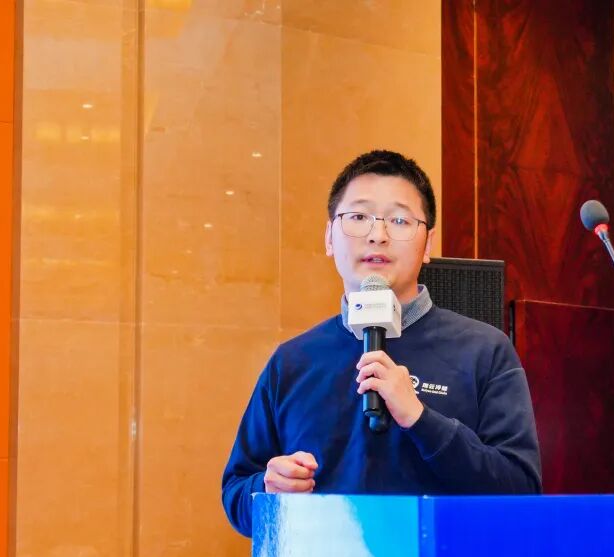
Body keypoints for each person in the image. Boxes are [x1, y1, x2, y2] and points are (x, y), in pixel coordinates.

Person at [221, 149, 541, 536]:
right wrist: (268, 488)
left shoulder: (484, 351)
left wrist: (421, 419)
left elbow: (521, 490)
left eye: (400, 220)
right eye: (358, 217)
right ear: (329, 237)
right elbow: (237, 491)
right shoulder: (292, 361)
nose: (378, 235)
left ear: (428, 244)